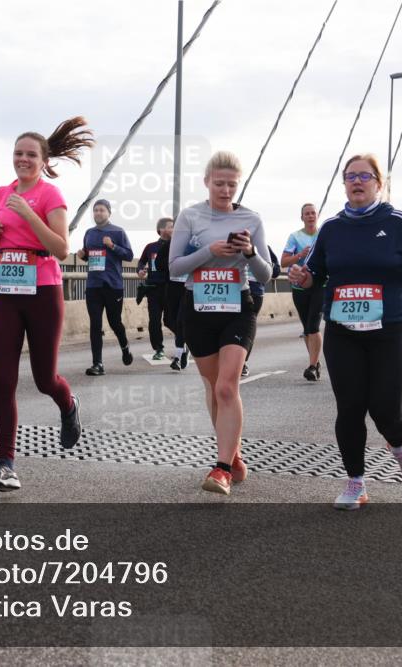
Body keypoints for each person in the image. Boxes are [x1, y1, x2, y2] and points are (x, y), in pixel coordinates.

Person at [289, 154, 402, 510]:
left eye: (364, 176)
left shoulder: (397, 221)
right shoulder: (331, 227)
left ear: (378, 184)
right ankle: (355, 481)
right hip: (342, 330)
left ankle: (399, 447)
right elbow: (313, 271)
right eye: (350, 176)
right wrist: (303, 277)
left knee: (385, 409)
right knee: (350, 407)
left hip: (388, 329)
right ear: (344, 183)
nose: (357, 182)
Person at [0, 117, 94, 492]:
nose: (23, 159)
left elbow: (62, 249)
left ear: (44, 161)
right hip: (7, 292)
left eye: (30, 154)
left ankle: (67, 404)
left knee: (45, 378)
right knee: (4, 381)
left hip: (43, 290)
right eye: (18, 153)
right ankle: (6, 465)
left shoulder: (50, 196)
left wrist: (29, 214)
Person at [168, 151, 272, 495]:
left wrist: (250, 254)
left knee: (228, 386)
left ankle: (222, 468)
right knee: (213, 388)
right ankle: (234, 454)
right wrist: (210, 250)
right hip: (198, 307)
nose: (225, 191)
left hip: (237, 306)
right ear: (207, 182)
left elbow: (267, 274)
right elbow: (174, 267)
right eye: (219, 184)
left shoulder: (251, 219)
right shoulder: (190, 216)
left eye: (231, 184)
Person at [78, 199, 134, 375]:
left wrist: (112, 246)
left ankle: (125, 347)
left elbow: (129, 256)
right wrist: (83, 256)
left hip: (113, 285)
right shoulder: (89, 233)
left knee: (115, 322)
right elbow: (90, 256)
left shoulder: (118, 232)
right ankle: (98, 364)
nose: (98, 213)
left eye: (102, 210)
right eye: (95, 210)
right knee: (95, 324)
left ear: (109, 213)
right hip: (93, 285)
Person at [281, 203, 323, 381]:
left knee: (313, 326)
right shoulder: (295, 237)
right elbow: (283, 262)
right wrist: (300, 255)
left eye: (313, 213)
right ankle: (315, 362)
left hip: (321, 285)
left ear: (317, 215)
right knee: (307, 329)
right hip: (299, 286)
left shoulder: (324, 235)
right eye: (307, 213)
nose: (310, 216)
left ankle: (312, 366)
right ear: (302, 217)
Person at [241, 246, 281, 377]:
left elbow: (276, 271)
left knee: (247, 326)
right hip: (235, 289)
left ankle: (242, 362)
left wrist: (260, 263)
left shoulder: (263, 246)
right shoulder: (230, 242)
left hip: (255, 291)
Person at [137, 218, 174, 361]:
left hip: (170, 288)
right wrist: (140, 270)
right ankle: (159, 349)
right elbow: (141, 261)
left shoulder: (176, 246)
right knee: (154, 321)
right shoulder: (151, 247)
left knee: (170, 320)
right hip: (153, 289)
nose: (174, 230)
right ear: (162, 230)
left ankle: (184, 341)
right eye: (171, 227)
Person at [155, 227, 190, 371]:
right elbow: (158, 264)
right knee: (169, 320)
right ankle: (187, 342)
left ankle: (177, 355)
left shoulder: (195, 243)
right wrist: (172, 263)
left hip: (189, 287)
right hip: (172, 286)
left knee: (181, 321)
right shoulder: (170, 244)